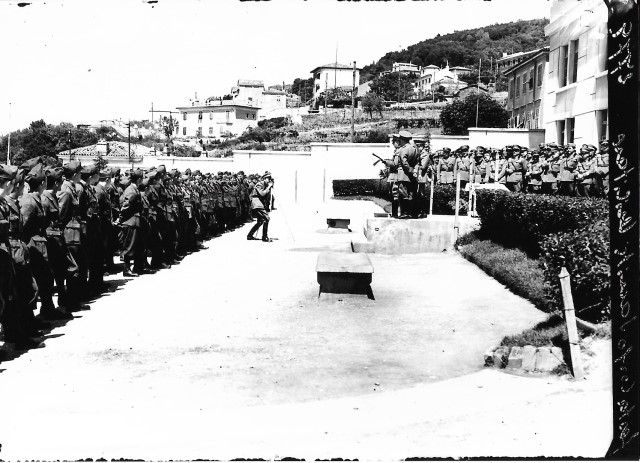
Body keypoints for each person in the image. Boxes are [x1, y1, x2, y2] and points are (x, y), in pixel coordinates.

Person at [119, 169, 144, 277]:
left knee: (135, 245)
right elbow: (126, 205)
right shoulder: (132, 190)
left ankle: (135, 267)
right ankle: (126, 269)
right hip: (130, 221)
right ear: (138, 179)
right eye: (141, 178)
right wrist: (121, 218)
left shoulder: (134, 188)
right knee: (129, 246)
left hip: (134, 221)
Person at [393, 130, 419, 218]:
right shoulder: (415, 149)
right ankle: (412, 213)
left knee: (402, 193)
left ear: (402, 139)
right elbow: (417, 162)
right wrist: (413, 171)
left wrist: (409, 170)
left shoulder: (403, 149)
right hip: (411, 175)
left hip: (403, 174)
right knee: (411, 193)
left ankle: (405, 213)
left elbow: (404, 163)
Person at [247, 171, 274, 242]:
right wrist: (269, 187)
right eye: (268, 179)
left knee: (260, 221)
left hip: (260, 203)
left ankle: (250, 235)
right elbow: (262, 194)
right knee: (267, 218)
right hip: (257, 203)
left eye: (270, 179)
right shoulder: (260, 184)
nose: (269, 180)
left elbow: (267, 197)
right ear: (264, 178)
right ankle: (264, 237)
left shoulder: (265, 185)